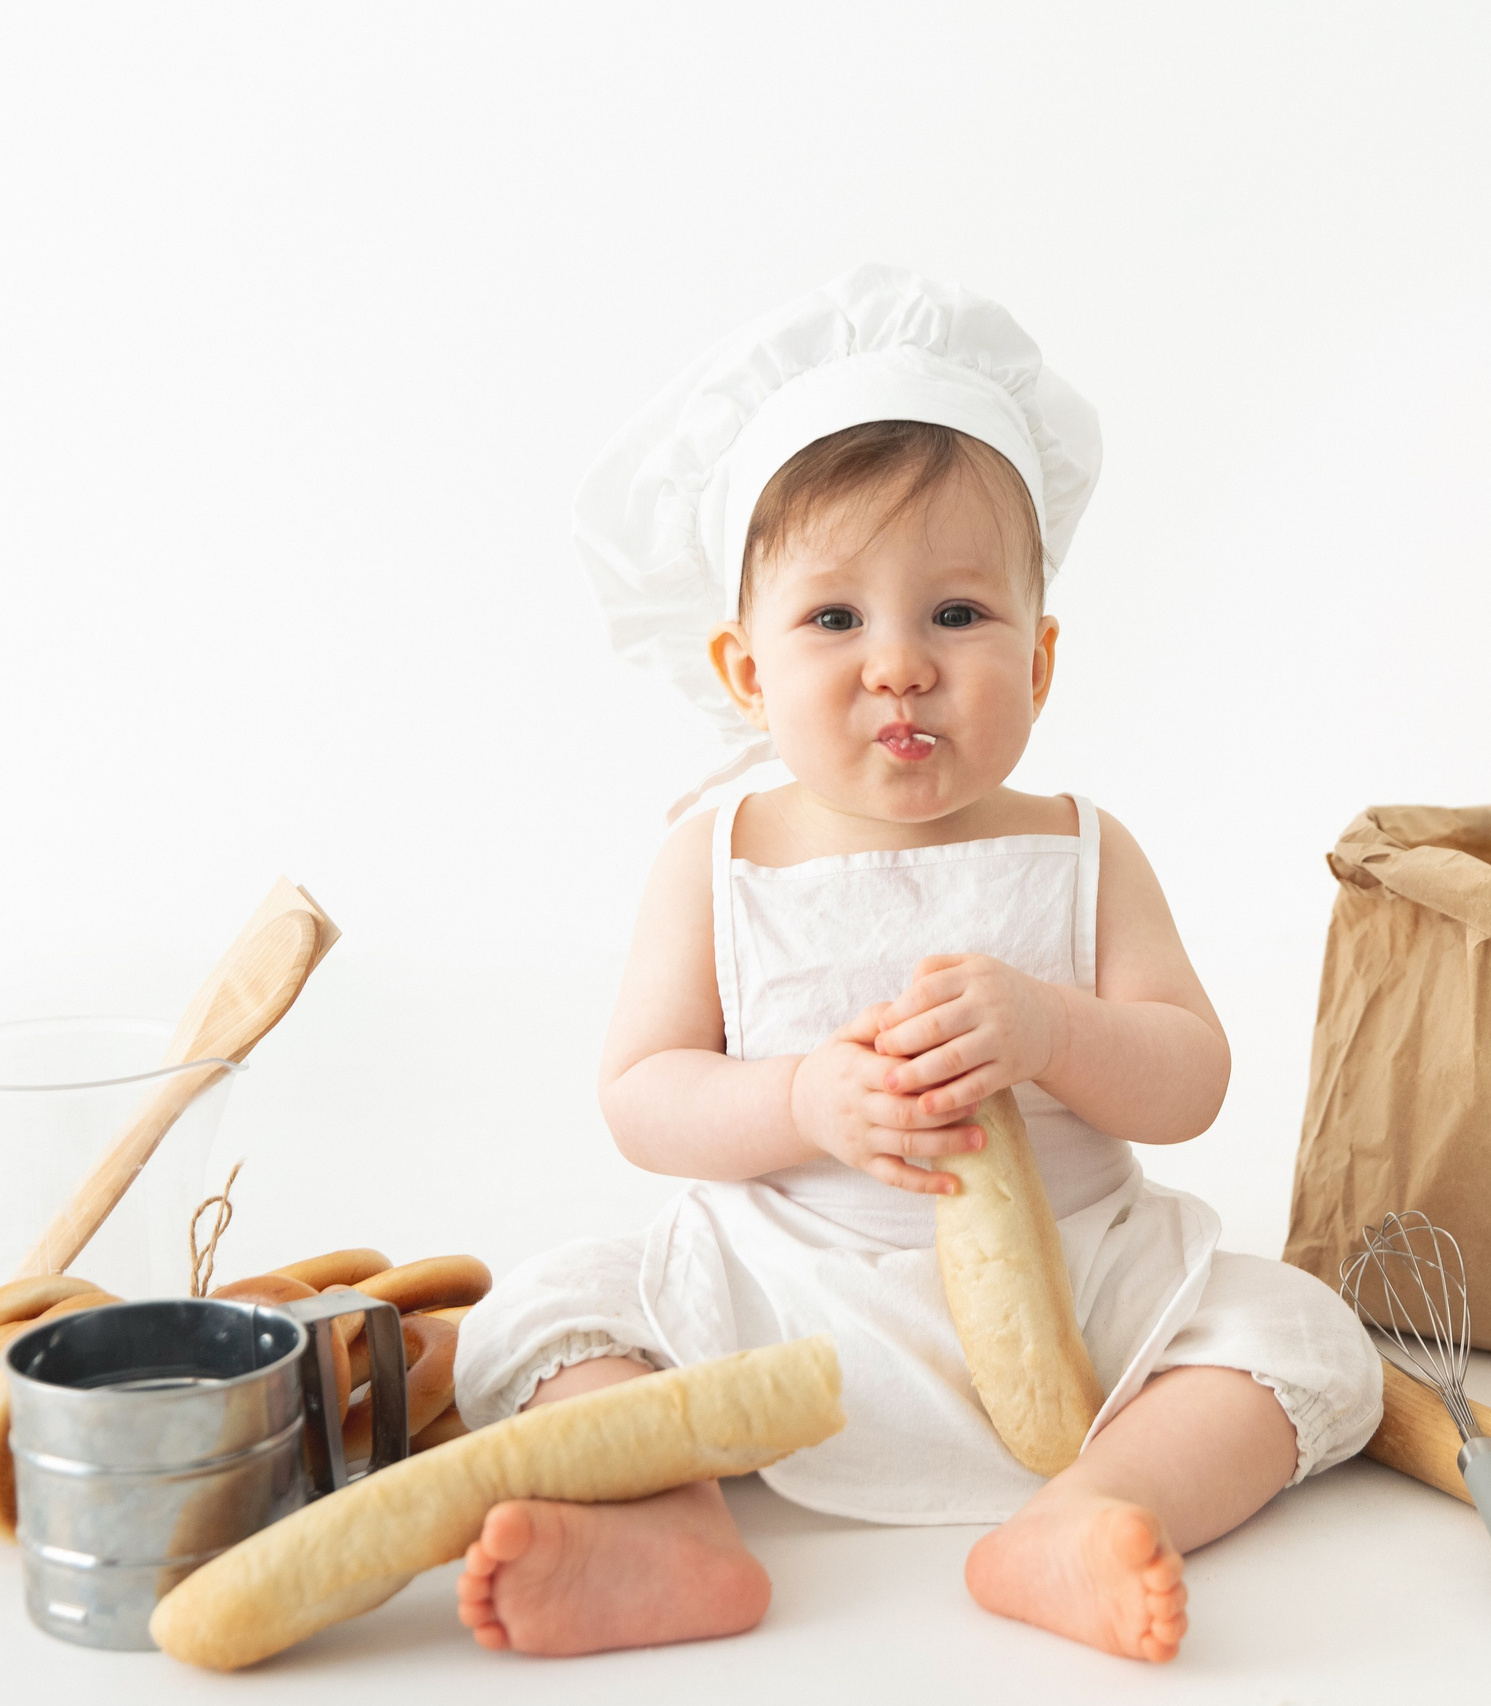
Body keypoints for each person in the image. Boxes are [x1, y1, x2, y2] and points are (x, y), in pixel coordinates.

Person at [452, 266, 1381, 1664]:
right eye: (835, 620)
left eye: (956, 615)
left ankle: (1097, 1506)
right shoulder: (718, 858)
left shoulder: (1081, 848)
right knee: (536, 1319)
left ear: (1041, 659)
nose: (899, 665)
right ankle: (672, 1525)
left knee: (1307, 1336)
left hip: (1081, 1294)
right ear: (745, 670)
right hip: (778, 1294)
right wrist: (800, 1100)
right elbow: (643, 1096)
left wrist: (1055, 1028)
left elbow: (1193, 1079)